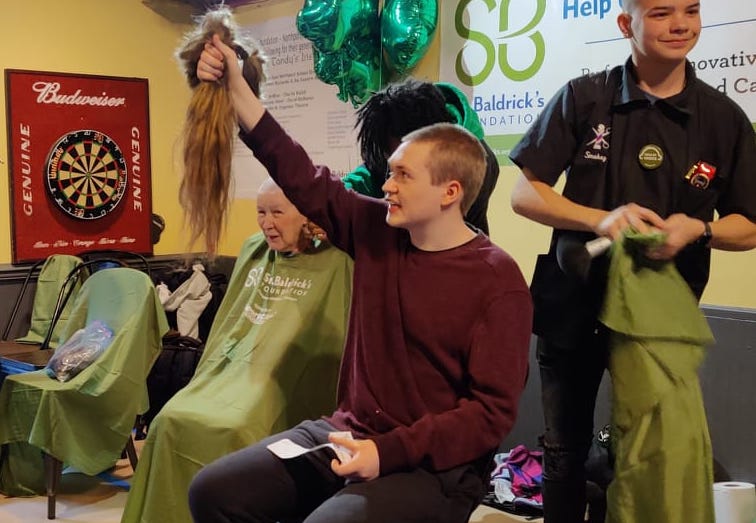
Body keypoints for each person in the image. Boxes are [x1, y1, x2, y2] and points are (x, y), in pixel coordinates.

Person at [187, 34, 533, 523]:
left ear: (450, 192)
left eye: (403, 176)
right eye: (389, 172)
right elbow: (298, 171)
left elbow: (490, 414)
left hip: (437, 467)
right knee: (215, 491)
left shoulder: (498, 281)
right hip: (348, 434)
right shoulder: (372, 229)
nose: (386, 184)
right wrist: (236, 87)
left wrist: (387, 453)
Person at [508, 0, 756, 521]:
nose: (681, 24)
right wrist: (600, 219)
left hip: (659, 318)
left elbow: (750, 225)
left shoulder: (723, 118)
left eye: (690, 10)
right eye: (662, 12)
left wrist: (701, 229)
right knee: (562, 452)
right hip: (573, 303)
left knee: (645, 453)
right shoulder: (583, 97)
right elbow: (525, 196)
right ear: (627, 24)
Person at [120, 178, 353, 523]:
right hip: (229, 376)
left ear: (307, 213)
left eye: (277, 212)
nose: (266, 222)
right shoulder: (254, 251)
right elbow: (231, 325)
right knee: (168, 420)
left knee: (237, 430)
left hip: (277, 385)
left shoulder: (338, 260)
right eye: (260, 212)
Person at [342, 78, 500, 234]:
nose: (388, 185)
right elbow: (368, 175)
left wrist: (373, 212)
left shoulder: (476, 164)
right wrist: (335, 206)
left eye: (403, 172)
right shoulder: (395, 136)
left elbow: (430, 224)